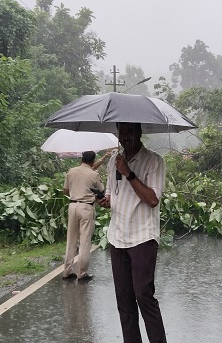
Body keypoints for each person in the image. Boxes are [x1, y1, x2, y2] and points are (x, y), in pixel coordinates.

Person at [98, 122, 167, 343]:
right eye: (122, 131)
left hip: (142, 237)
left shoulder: (154, 161)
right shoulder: (112, 161)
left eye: (130, 131)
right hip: (117, 236)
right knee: (125, 302)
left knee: (143, 296)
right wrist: (104, 200)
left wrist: (128, 173)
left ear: (139, 132)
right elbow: (111, 195)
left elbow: (153, 199)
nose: (125, 136)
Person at [61, 151, 105, 281]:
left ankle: (67, 272)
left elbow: (65, 191)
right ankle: (81, 273)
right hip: (86, 207)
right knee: (85, 241)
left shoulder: (71, 171)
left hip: (72, 206)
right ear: (93, 161)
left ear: (82, 159)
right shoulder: (94, 174)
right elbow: (101, 191)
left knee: (71, 240)